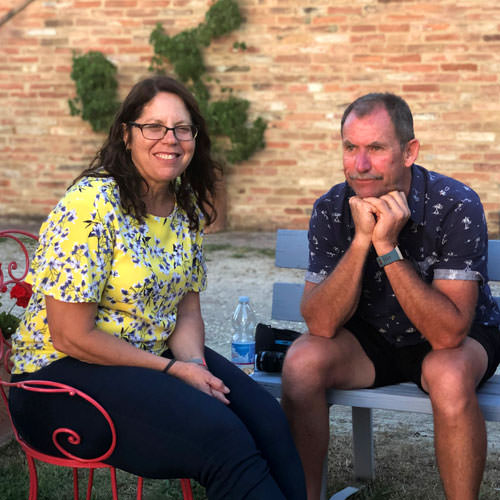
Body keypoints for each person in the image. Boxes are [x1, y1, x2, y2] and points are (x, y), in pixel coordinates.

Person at [8, 75, 306, 500]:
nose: (170, 139)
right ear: (126, 134)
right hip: (57, 380)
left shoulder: (184, 209)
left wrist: (196, 368)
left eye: (182, 128)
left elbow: (187, 312)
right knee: (220, 437)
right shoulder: (90, 205)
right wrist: (171, 371)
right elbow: (70, 335)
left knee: (267, 420)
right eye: (154, 126)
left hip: (147, 359)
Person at [281, 93, 500, 500]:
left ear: (409, 151)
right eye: (351, 148)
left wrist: (387, 248)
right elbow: (321, 323)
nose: (360, 165)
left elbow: (449, 335)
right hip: (372, 341)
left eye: (376, 149)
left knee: (447, 374)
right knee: (301, 362)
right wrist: (363, 239)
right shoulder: (331, 207)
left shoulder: (455, 204)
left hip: (456, 339)